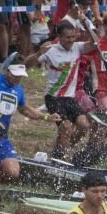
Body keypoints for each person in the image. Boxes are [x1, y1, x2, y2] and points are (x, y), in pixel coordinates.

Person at [0, 63, 59, 214]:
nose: (18, 78)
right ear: (7, 71)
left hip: (2, 138)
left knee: (13, 173)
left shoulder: (18, 90)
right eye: (15, 75)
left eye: (20, 76)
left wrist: (46, 117)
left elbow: (25, 109)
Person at [26, 21, 93, 160]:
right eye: (68, 37)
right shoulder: (51, 50)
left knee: (84, 125)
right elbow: (26, 64)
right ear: (60, 37)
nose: (71, 40)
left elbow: (96, 43)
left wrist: (86, 22)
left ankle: (61, 151)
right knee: (66, 127)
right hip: (53, 97)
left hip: (69, 98)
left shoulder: (77, 47)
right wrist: (38, 52)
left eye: (73, 37)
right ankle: (61, 159)